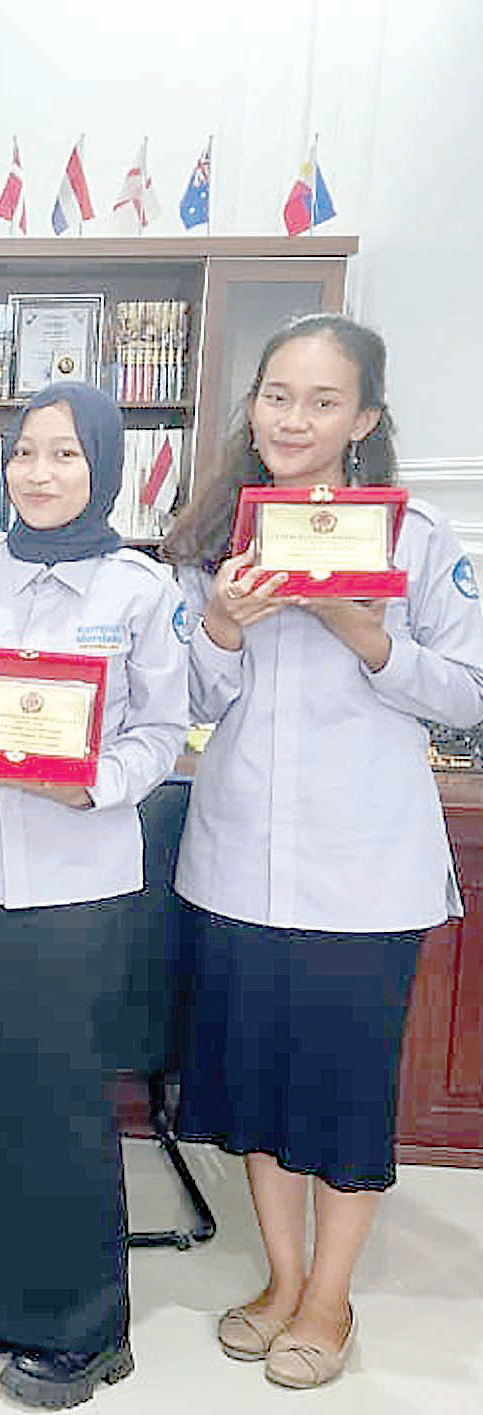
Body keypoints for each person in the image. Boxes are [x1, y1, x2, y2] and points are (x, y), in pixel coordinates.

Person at [161, 314, 483, 1389]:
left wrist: (360, 628)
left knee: (339, 1091)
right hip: (236, 856)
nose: (292, 419)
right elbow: (183, 703)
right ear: (250, 405)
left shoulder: (420, 540)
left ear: (364, 420)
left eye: (321, 400)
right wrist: (216, 622)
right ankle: (280, 1276)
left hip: (362, 870)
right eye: (275, 394)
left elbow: (467, 696)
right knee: (251, 1084)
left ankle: (329, 1298)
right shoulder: (211, 535)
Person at [0, 381, 186, 1408]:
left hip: (73, 875)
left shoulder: (140, 591)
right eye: (24, 453)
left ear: (100, 466)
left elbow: (161, 733)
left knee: (60, 1095)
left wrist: (92, 780)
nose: (39, 473)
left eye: (64, 455)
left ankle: (80, 1324)